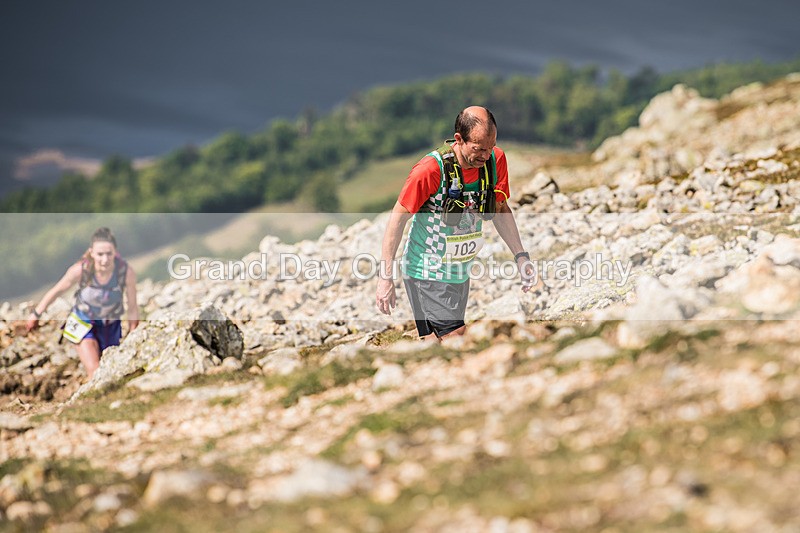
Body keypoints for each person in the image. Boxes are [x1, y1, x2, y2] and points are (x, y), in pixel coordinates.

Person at [376, 106, 537, 340]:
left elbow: (501, 209)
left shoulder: (495, 161)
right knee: (456, 335)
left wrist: (521, 256)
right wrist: (385, 277)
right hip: (426, 270)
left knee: (436, 342)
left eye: (491, 146)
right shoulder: (430, 170)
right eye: (479, 148)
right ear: (459, 139)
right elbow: (397, 220)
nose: (486, 155)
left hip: (460, 271)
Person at [26, 227, 139, 379]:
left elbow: (132, 307)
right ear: (91, 252)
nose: (105, 259)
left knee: (113, 369)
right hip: (82, 322)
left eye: (109, 254)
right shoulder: (81, 270)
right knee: (95, 370)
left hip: (110, 325)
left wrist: (133, 334)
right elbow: (57, 291)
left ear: (115, 252)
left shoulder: (125, 272)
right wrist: (36, 314)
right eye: (100, 254)